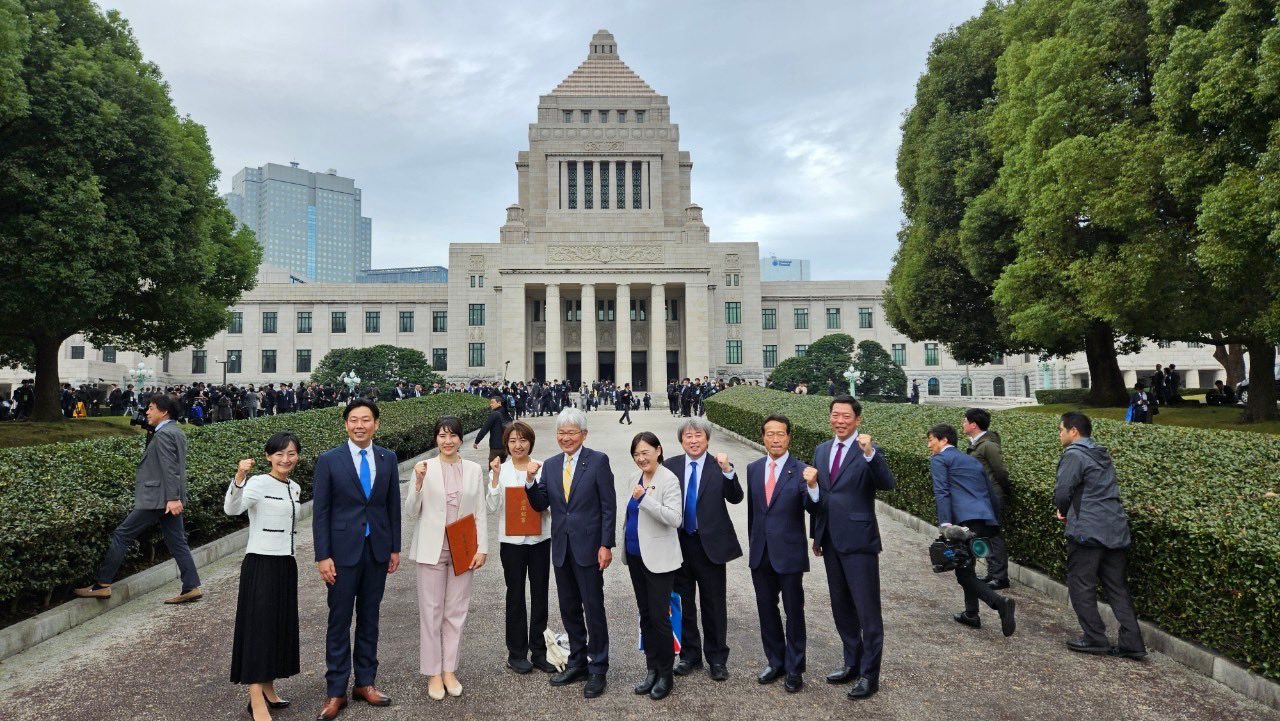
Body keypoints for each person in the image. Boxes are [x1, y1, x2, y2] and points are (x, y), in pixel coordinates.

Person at [312, 399, 402, 721]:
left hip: (376, 550)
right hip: (341, 553)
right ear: (346, 424)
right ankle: (336, 690)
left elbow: (393, 506)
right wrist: (323, 555)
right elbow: (320, 512)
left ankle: (365, 682)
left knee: (369, 617)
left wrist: (394, 548)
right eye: (354, 420)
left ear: (376, 424)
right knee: (339, 621)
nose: (360, 425)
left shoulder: (387, 458)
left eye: (366, 420)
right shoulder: (329, 460)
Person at [74, 393, 202, 604]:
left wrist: (172, 498)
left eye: (151, 408)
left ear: (164, 412)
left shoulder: (164, 435)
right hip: (166, 498)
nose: (147, 412)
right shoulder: (175, 432)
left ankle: (102, 584)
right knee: (178, 542)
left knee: (121, 535)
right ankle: (191, 586)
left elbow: (170, 469)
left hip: (157, 498)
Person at [808, 396, 895, 699]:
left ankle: (870, 675)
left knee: (867, 610)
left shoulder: (867, 450)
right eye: (835, 415)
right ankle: (851, 663)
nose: (840, 420)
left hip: (859, 541)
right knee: (841, 607)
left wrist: (871, 453)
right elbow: (819, 499)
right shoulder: (821, 450)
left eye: (846, 416)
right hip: (830, 540)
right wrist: (817, 536)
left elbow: (886, 483)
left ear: (857, 420)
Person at [525, 407, 616, 698]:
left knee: (593, 608)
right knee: (569, 609)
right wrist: (529, 482)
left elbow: (607, 507)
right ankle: (577, 660)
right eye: (561, 433)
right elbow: (541, 504)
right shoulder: (550, 466)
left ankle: (598, 666)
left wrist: (606, 544)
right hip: (562, 548)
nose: (566, 438)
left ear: (584, 435)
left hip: (590, 548)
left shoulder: (598, 461)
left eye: (571, 432)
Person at [406, 416, 488, 700]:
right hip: (432, 547)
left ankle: (449, 669)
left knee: (456, 611)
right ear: (435, 439)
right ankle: (432, 672)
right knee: (431, 612)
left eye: (453, 435)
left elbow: (479, 512)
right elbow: (411, 511)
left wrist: (483, 548)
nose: (448, 441)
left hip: (463, 548)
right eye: (442, 435)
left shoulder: (474, 470)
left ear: (461, 438)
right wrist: (416, 482)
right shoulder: (425, 469)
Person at [1054, 412, 1146, 660]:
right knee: (1116, 586)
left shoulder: (1074, 454)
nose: (1060, 434)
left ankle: (1094, 637)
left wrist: (1062, 510)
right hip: (1114, 528)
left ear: (1074, 431)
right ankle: (1132, 642)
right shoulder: (1101, 453)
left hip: (1088, 530)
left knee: (1081, 583)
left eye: (1061, 430)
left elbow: (1063, 490)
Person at [225, 433, 304, 721]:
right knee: (258, 631)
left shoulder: (294, 487)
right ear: (269, 456)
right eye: (280, 454)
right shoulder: (257, 483)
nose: (286, 459)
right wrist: (239, 476)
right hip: (261, 563)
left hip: (285, 564)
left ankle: (270, 687)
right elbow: (232, 509)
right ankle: (255, 698)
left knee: (278, 627)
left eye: (292, 453)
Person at [664, 416, 742, 681]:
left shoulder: (718, 465)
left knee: (714, 604)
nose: (693, 440)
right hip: (679, 544)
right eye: (688, 436)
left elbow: (735, 497)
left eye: (698, 436)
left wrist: (728, 470)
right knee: (683, 603)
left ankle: (717, 658)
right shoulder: (670, 466)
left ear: (707, 439)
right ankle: (689, 655)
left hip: (710, 546)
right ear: (681, 441)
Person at [746, 414, 820, 693]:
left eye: (781, 434)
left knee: (793, 612)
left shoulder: (802, 471)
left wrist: (813, 487)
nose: (775, 439)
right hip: (761, 553)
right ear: (763, 437)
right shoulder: (753, 468)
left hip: (788, 554)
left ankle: (794, 667)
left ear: (789, 437)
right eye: (770, 434)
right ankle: (775, 661)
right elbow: (755, 513)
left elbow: (813, 509)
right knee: (766, 610)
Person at [927, 423, 1017, 637]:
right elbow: (991, 494)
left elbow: (942, 492)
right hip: (983, 519)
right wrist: (994, 523)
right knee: (966, 566)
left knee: (963, 574)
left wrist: (946, 524)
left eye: (931, 439)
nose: (929, 444)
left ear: (943, 440)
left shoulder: (940, 459)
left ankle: (1000, 604)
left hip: (961, 522)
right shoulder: (971, 460)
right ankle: (971, 614)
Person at [485, 421, 555, 674]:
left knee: (540, 595)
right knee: (515, 595)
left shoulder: (543, 468)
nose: (518, 445)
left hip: (539, 540)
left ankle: (539, 651)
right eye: (513, 441)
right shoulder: (500, 470)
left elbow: (550, 504)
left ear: (530, 442)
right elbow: (492, 507)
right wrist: (493, 477)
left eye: (523, 440)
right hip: (512, 543)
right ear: (506, 444)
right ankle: (516, 653)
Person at [622, 431, 684, 700]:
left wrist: (644, 499)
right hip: (636, 557)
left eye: (645, 452)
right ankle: (651, 669)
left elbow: (674, 518)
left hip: (659, 560)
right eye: (636, 454)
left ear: (658, 450)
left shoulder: (668, 479)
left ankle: (665, 674)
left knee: (660, 618)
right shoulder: (633, 478)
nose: (641, 458)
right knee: (645, 614)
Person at [963, 408, 1010, 590]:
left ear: (974, 424)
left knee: (994, 535)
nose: (963, 424)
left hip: (991, 495)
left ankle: (1000, 577)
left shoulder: (988, 445)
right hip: (982, 496)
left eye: (965, 421)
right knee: (988, 535)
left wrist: (1003, 492)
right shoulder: (977, 444)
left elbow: (1000, 472)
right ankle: (993, 573)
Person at [473, 395, 509, 464]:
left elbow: (485, 428)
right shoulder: (506, 413)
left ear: (499, 403)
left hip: (496, 447)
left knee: (493, 470)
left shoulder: (494, 414)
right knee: (502, 469)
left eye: (492, 402)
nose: (491, 404)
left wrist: (477, 441)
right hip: (505, 447)